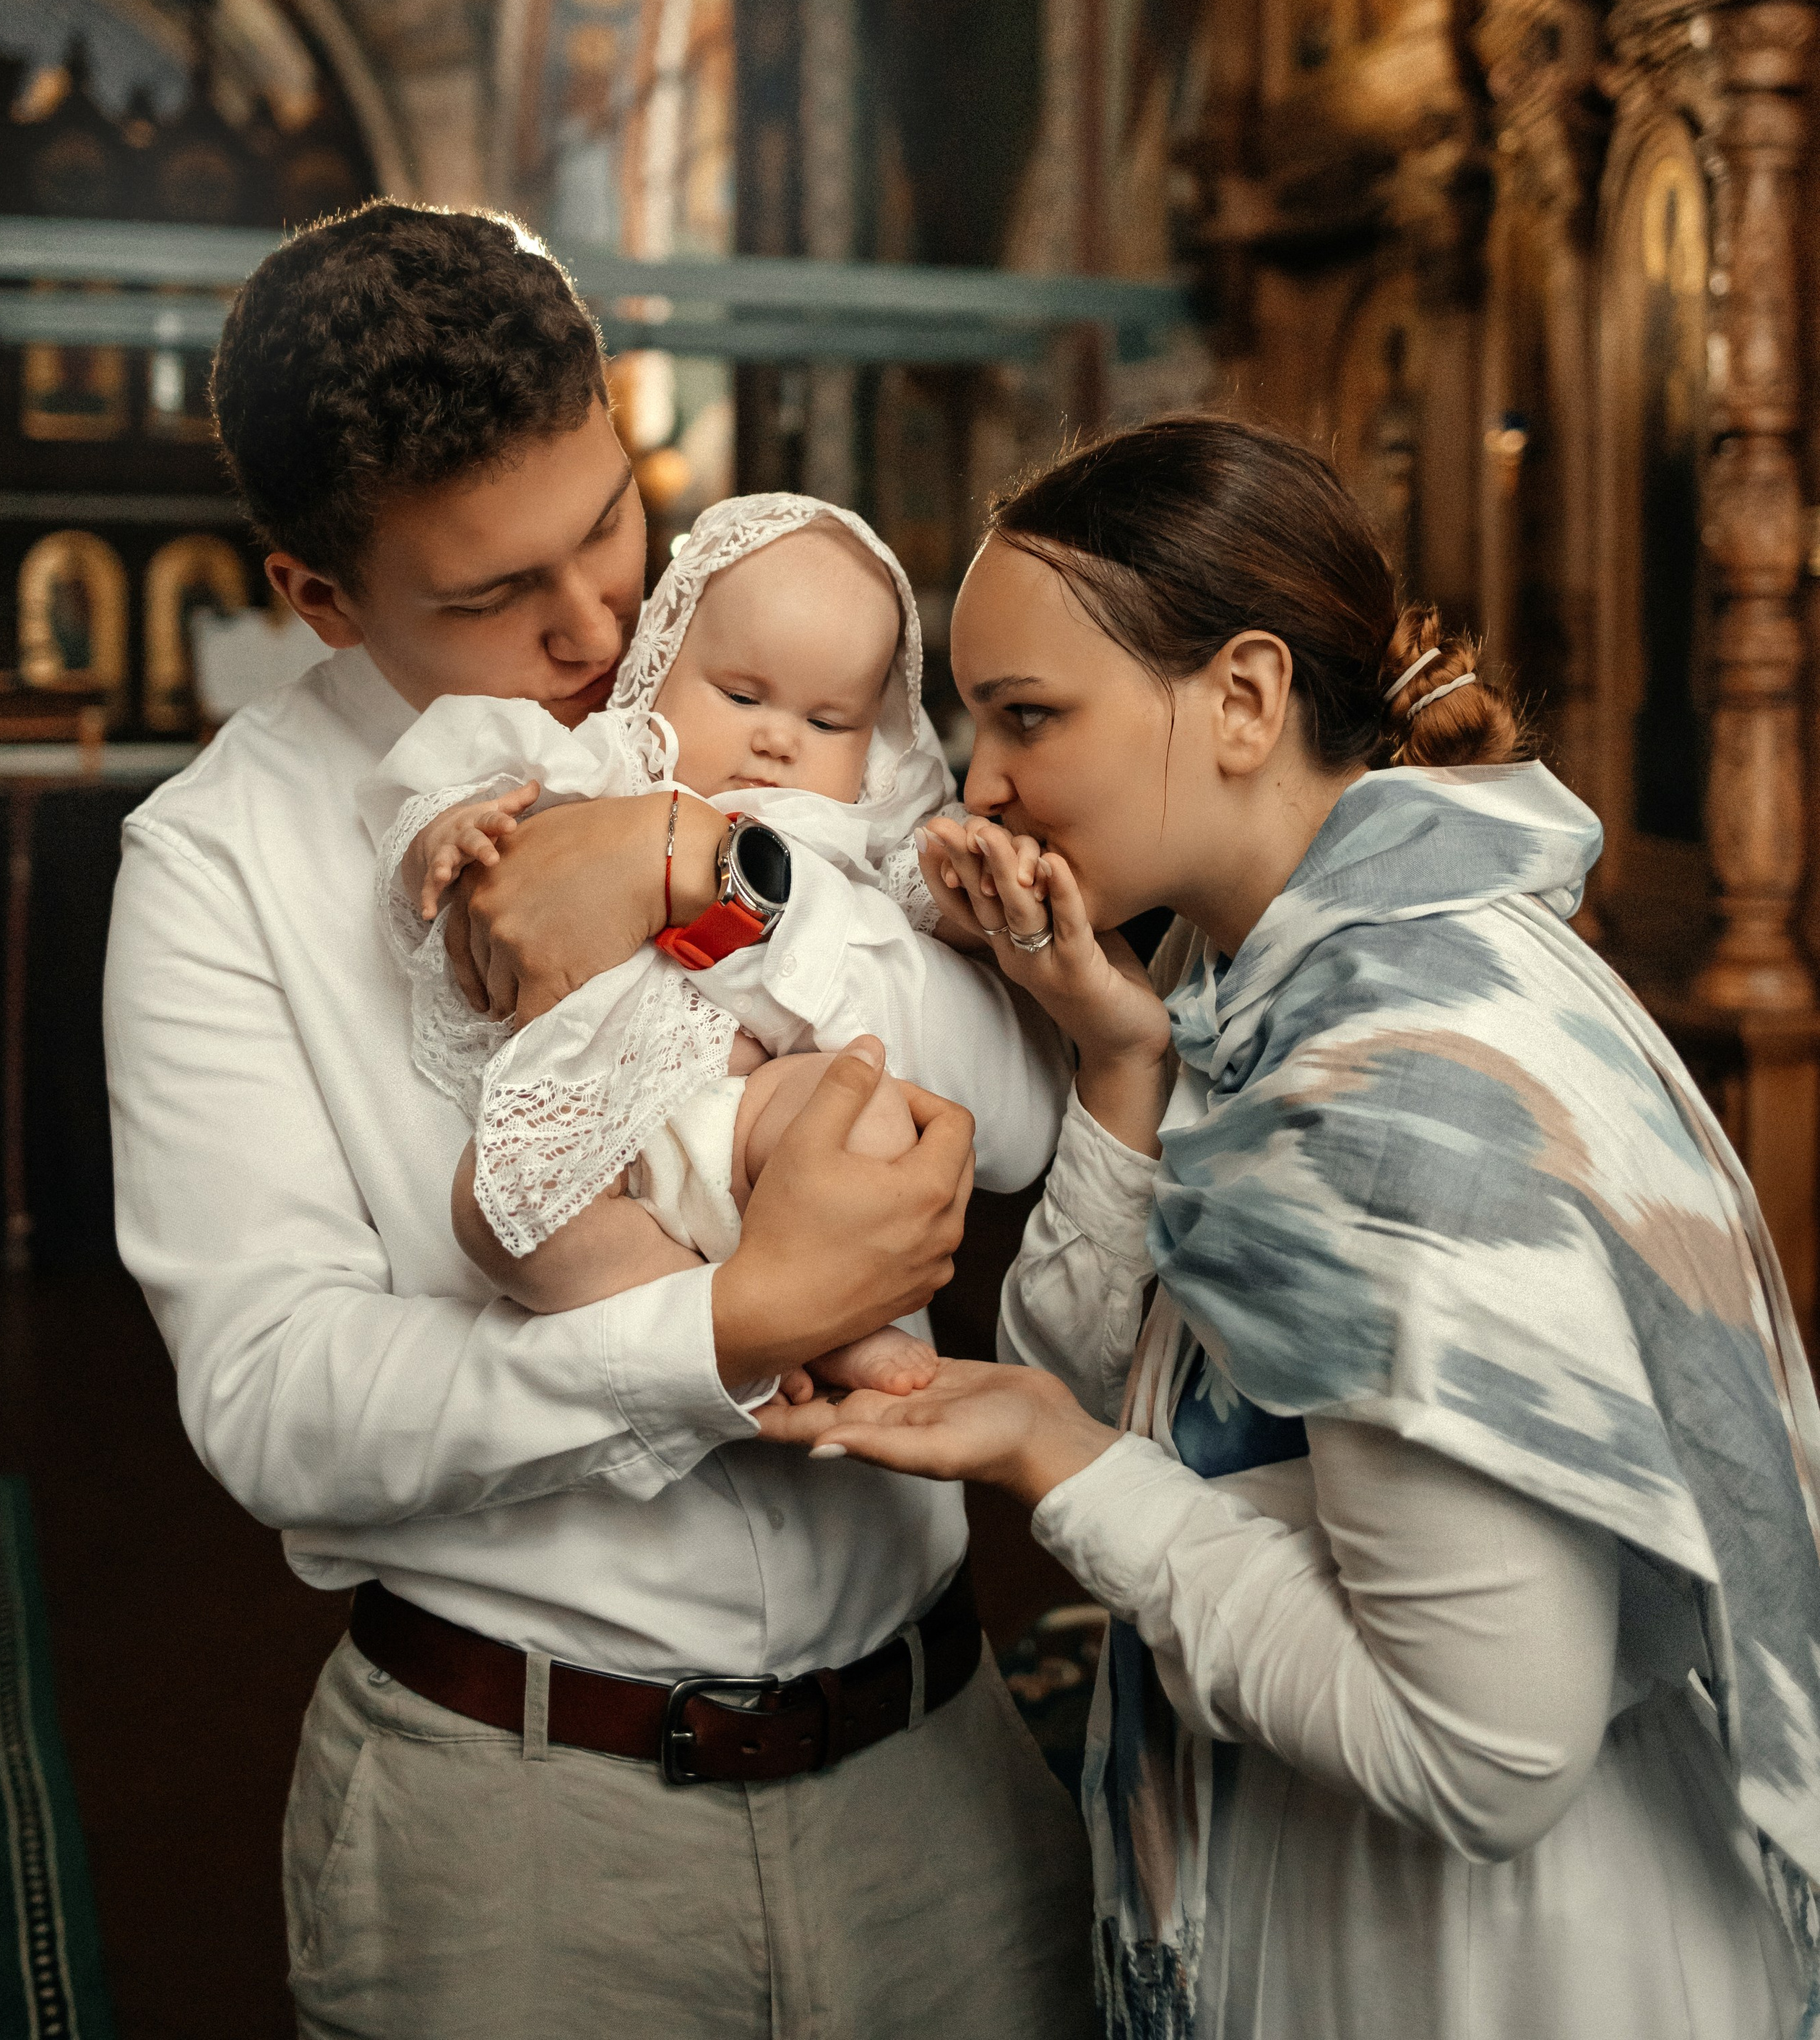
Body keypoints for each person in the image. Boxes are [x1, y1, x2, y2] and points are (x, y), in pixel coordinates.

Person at [103, 203, 1092, 2040]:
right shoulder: (212, 864)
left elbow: (1015, 1113)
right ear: (319, 596)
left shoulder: (761, 671)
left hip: (933, 1769)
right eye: (491, 593)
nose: (592, 623)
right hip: (519, 1825)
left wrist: (714, 865)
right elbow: (278, 1400)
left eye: (608, 520)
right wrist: (719, 1330)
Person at [762, 412, 1820, 2040]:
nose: (981, 785)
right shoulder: (1251, 979)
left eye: (1026, 716)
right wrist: (1120, 1057)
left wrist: (1064, 1470)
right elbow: (1110, 1379)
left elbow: (1481, 1752)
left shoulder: (1392, 1078)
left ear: (1243, 700)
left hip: (1477, 1956)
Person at [368, 489, 977, 1394]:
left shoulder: (854, 828)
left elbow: (923, 912)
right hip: (607, 1116)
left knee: (874, 1119)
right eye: (739, 695)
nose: (776, 740)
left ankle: (822, 1325)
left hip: (761, 1116)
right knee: (498, 1218)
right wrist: (448, 832)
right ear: (660, 667)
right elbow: (451, 791)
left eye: (827, 723)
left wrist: (965, 898)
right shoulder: (605, 764)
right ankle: (720, 1320)